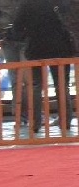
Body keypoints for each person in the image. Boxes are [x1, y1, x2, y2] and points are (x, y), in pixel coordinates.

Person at [14, 0, 75, 133]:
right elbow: (70, 19)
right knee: (62, 85)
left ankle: (35, 123)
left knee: (36, 86)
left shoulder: (26, 4)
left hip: (36, 48)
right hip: (61, 48)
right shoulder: (59, 1)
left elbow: (17, 29)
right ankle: (65, 122)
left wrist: (27, 35)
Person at [0, 0, 27, 122]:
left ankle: (30, 113)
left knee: (27, 78)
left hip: (27, 41)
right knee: (16, 78)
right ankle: (20, 114)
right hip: (8, 42)